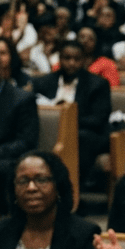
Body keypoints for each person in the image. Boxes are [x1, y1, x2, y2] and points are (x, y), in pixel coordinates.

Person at [32, 39, 112, 185]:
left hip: (85, 133)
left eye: (76, 59)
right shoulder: (43, 82)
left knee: (81, 137)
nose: (71, 63)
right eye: (67, 58)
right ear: (60, 59)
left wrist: (68, 115)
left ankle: (72, 184)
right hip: (49, 130)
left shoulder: (98, 84)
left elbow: (98, 119)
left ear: (84, 60)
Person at [0, 49, 39, 204]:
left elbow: (26, 141)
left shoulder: (22, 99)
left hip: (5, 157)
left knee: (0, 168)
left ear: (2, 70)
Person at [77, 24, 120, 89]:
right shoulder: (68, 62)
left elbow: (112, 91)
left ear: (96, 42)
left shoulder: (107, 64)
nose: (85, 41)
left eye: (90, 39)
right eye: (82, 37)